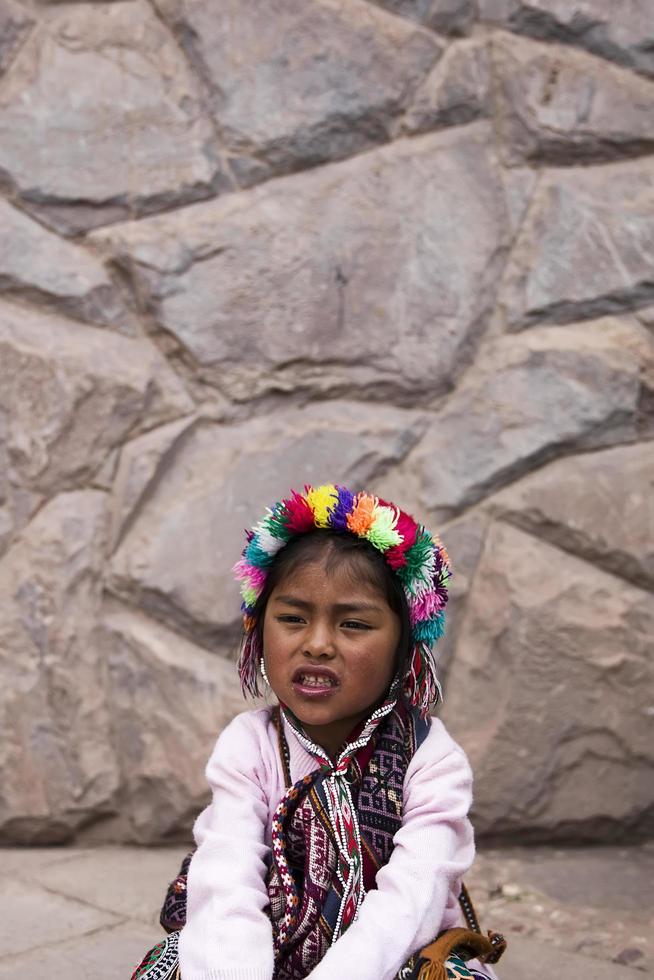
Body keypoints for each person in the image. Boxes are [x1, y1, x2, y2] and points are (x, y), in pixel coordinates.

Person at [130, 484, 504, 980]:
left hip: (392, 960)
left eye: (353, 624)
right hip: (265, 953)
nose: (319, 644)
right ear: (259, 630)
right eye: (291, 618)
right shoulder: (250, 745)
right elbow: (228, 875)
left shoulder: (431, 757)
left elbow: (416, 890)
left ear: (403, 648)